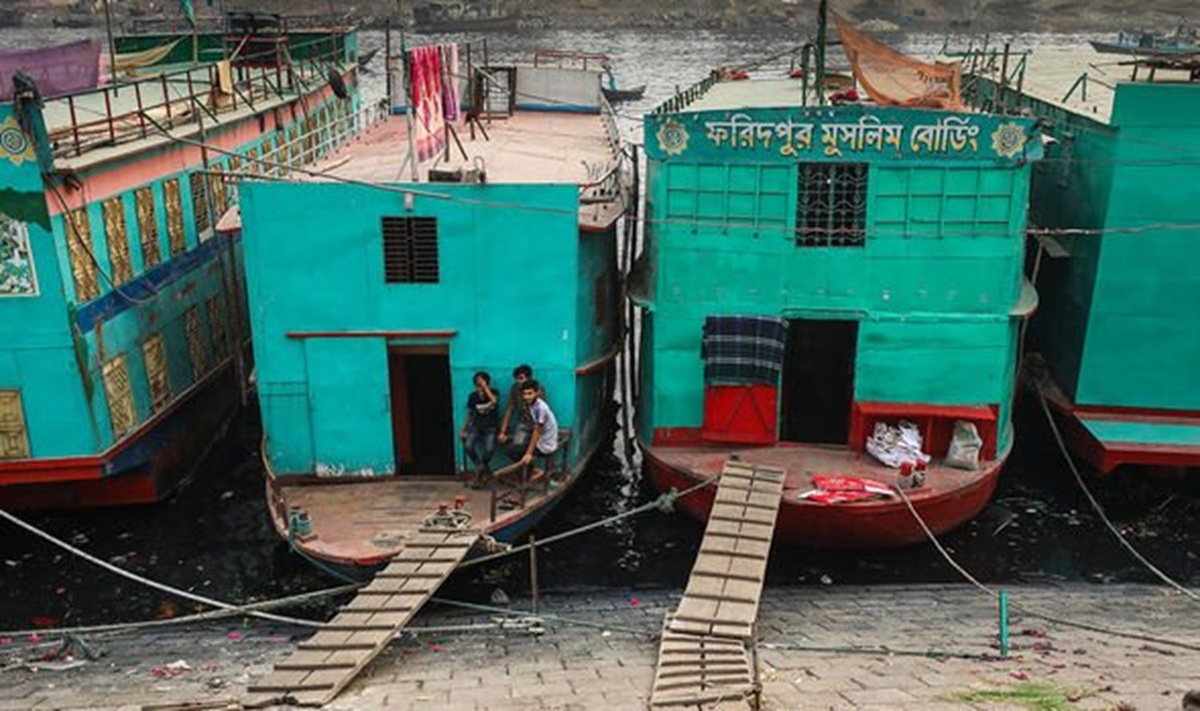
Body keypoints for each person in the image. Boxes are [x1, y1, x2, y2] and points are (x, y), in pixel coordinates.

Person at [459, 371, 498, 486]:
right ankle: (480, 466)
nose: (479, 384)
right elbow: (470, 414)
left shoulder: (494, 392)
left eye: (481, 381)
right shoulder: (472, 396)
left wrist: (485, 388)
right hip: (475, 426)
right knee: (468, 446)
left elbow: (494, 402)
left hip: (491, 426)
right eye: (478, 382)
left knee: (489, 449)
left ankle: (480, 471)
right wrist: (463, 429)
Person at [498, 364, 546, 455]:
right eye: (516, 379)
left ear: (529, 378)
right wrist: (502, 432)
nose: (518, 382)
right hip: (524, 423)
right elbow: (510, 409)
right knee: (516, 448)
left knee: (536, 448)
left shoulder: (537, 388)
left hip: (538, 423)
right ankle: (530, 468)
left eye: (521, 378)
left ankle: (530, 467)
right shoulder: (515, 388)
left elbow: (541, 413)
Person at [515, 379, 558, 469]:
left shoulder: (541, 408)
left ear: (537, 393)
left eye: (530, 393)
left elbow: (538, 430)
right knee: (516, 445)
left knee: (513, 450)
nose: (526, 397)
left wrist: (528, 453)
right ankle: (532, 470)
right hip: (542, 438)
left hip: (546, 443)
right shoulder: (533, 404)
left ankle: (534, 471)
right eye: (524, 394)